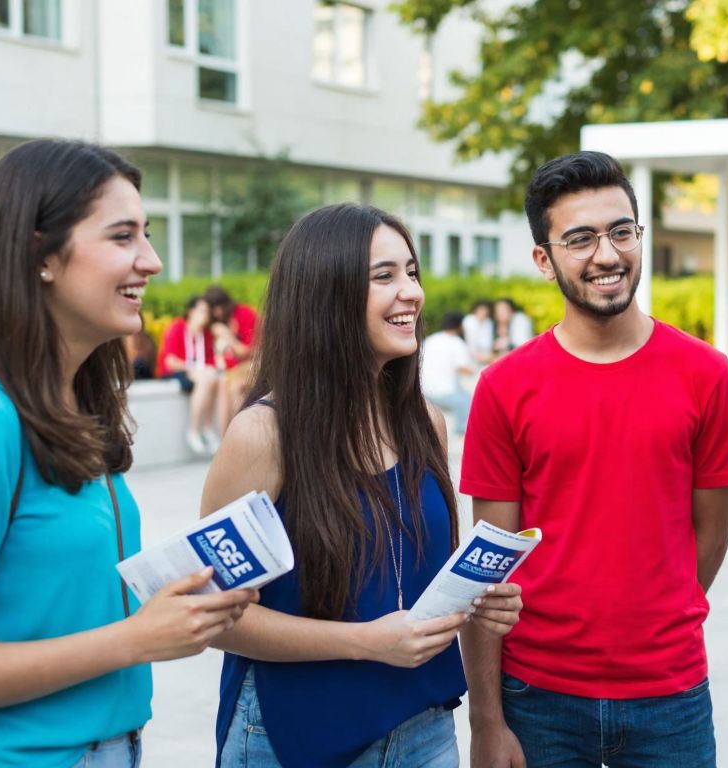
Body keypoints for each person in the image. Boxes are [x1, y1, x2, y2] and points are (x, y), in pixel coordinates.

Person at [0, 139, 256, 768]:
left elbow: (45, 601)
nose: (152, 260)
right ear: (40, 255)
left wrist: (173, 609)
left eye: (145, 234)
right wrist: (133, 639)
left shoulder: (69, 402)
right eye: (123, 236)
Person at [201, 203, 523, 768]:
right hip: (296, 737)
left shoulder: (427, 421)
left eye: (412, 272)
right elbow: (214, 614)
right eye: (385, 276)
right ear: (326, 294)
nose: (412, 293)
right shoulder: (262, 435)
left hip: (424, 731)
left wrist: (479, 601)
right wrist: (365, 642)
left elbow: (426, 581)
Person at [462, 151, 728, 768]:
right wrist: (486, 721)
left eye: (622, 232)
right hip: (538, 696)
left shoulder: (707, 374)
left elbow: (712, 536)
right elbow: (488, 567)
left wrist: (649, 622)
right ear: (544, 259)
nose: (608, 255)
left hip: (670, 697)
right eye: (581, 239)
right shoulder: (504, 388)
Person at [157, 295, 224, 455]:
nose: (205, 315)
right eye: (202, 311)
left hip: (196, 372)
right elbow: (170, 361)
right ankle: (193, 431)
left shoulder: (206, 334)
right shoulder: (178, 327)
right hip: (174, 372)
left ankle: (208, 429)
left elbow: (210, 361)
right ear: (191, 311)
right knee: (203, 378)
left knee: (217, 379)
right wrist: (196, 368)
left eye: (207, 312)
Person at [204, 284, 258, 437]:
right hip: (231, 373)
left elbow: (247, 352)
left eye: (219, 307)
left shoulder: (244, 314)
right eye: (213, 309)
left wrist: (227, 336)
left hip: (253, 365)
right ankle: (227, 438)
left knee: (234, 387)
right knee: (225, 386)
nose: (218, 312)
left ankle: (238, 436)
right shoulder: (214, 325)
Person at [421, 311, 477, 435]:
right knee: (467, 400)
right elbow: (465, 369)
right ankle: (463, 432)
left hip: (423, 391)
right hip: (443, 394)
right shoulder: (456, 342)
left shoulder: (431, 339)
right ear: (460, 326)